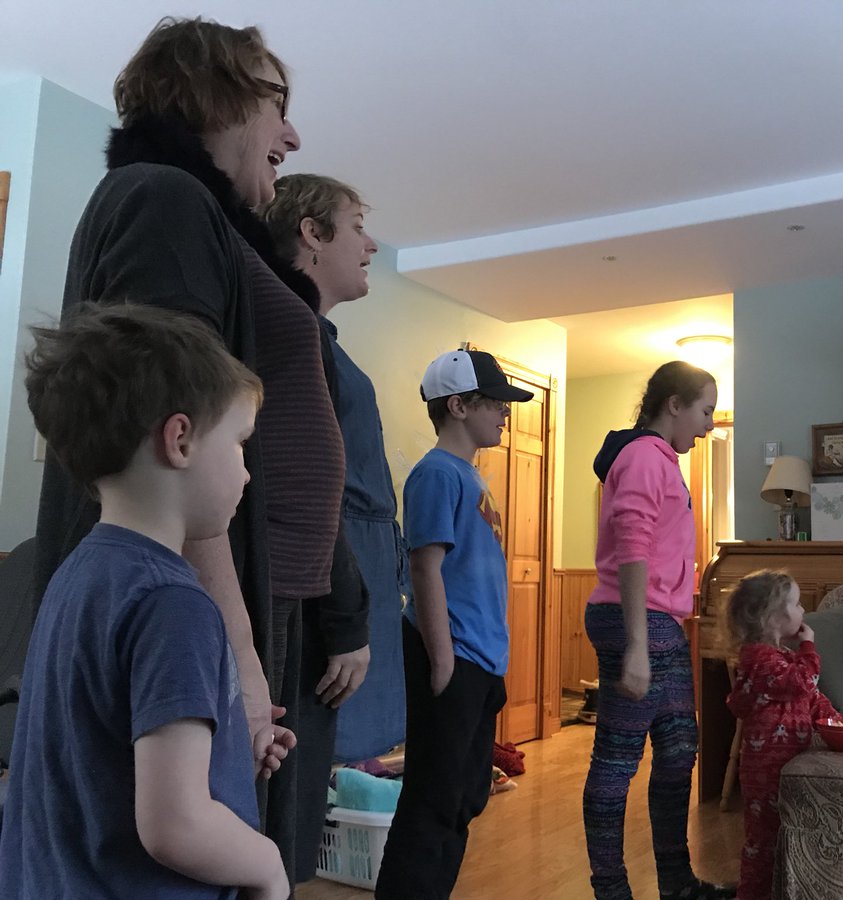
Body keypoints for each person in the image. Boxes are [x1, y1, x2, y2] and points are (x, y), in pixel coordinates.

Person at [33, 17, 368, 885]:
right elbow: (168, 412)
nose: (292, 135)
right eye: (277, 103)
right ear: (216, 93)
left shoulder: (206, 218)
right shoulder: (165, 200)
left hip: (256, 593)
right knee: (219, 854)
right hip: (216, 599)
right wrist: (241, 655)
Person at [0, 303, 290, 899]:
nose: (247, 474)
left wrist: (228, 751)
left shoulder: (78, 574)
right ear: (179, 439)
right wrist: (267, 864)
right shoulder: (172, 604)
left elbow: (102, 749)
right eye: (240, 443)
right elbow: (176, 826)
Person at [260, 173, 409, 764]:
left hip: (353, 569)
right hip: (321, 588)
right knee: (301, 769)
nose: (371, 246)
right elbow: (303, 486)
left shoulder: (317, 338)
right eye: (357, 228)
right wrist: (344, 619)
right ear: (312, 234)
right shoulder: (292, 336)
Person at [374, 349, 533, 899]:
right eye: (495, 403)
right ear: (459, 406)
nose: (505, 413)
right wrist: (442, 661)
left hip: (479, 659)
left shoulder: (470, 476)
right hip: (453, 656)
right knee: (433, 798)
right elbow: (425, 568)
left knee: (465, 796)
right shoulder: (437, 473)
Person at [582, 360, 732, 900]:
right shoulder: (646, 457)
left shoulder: (661, 459)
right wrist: (637, 645)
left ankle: (677, 884)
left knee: (678, 749)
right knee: (617, 758)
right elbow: (632, 549)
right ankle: (611, 889)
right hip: (637, 620)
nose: (709, 425)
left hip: (657, 619)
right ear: (674, 405)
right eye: (705, 412)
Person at [724, 570, 841, 900]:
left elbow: (811, 698)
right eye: (797, 603)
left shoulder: (782, 658)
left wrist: (839, 724)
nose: (803, 610)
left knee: (785, 836)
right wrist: (808, 647)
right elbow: (803, 682)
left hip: (788, 762)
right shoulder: (761, 660)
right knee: (763, 843)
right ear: (772, 617)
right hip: (767, 770)